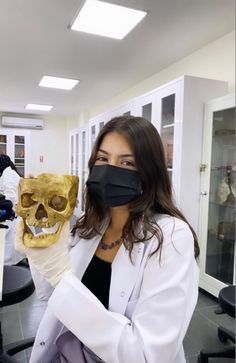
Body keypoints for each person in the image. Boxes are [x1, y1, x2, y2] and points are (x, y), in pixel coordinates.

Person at [15, 116, 200, 363]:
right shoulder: (90, 226)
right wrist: (40, 240)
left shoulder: (171, 237)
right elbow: (52, 296)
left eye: (127, 162)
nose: (110, 170)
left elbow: (146, 355)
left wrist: (60, 274)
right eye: (103, 159)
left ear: (150, 172)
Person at [0, 154, 25, 265]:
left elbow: (10, 198)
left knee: (10, 247)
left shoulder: (8, 175)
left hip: (13, 216)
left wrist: (4, 206)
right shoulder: (7, 173)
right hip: (15, 215)